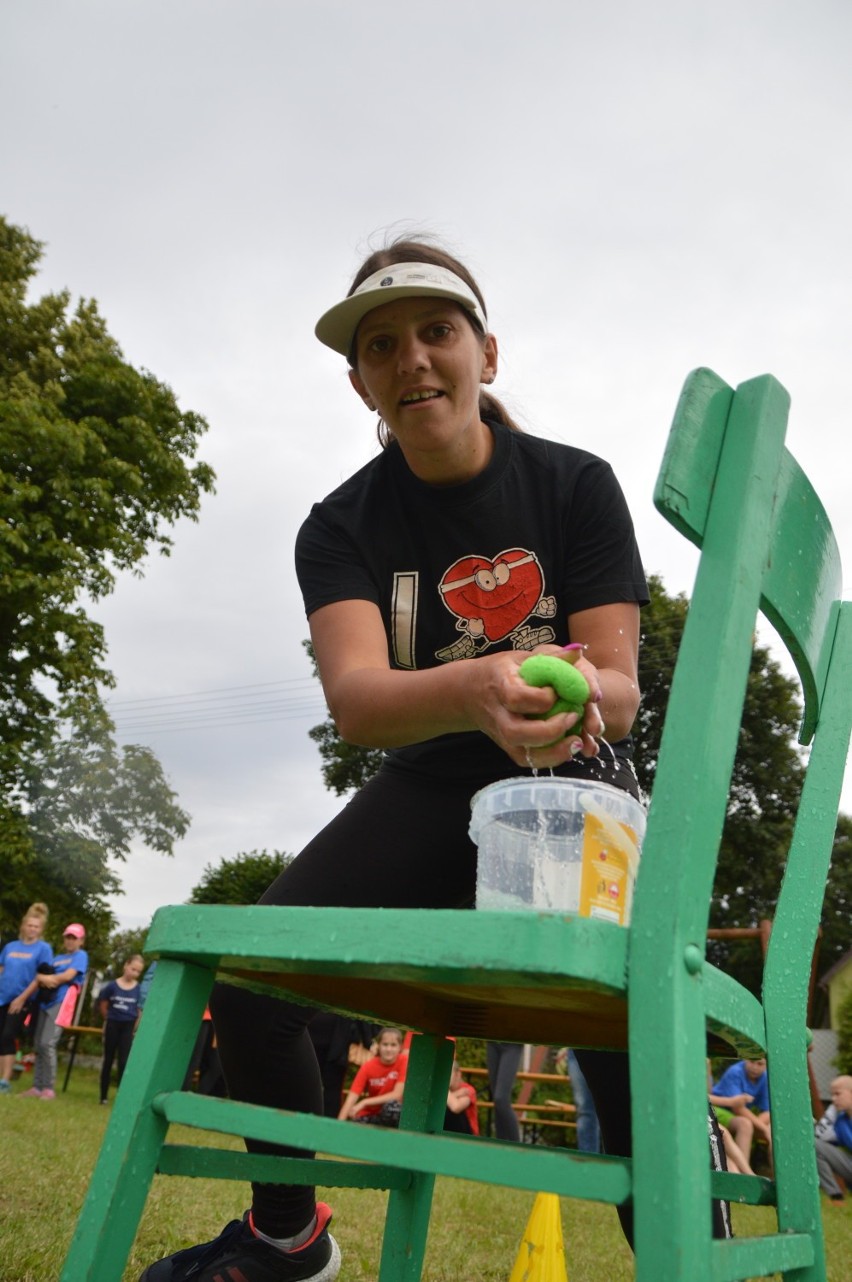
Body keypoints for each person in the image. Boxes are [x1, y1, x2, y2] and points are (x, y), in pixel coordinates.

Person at [138, 233, 663, 1282]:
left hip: (569, 782)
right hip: (429, 782)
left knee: (621, 1028)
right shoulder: (339, 523)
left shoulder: (575, 484)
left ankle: (688, 1254)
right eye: (382, 344)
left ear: (488, 353)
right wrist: (475, 686)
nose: (413, 358)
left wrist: (557, 690)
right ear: (359, 379)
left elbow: (620, 688)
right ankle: (288, 1238)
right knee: (250, 990)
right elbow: (360, 702)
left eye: (437, 331)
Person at [20, 923, 88, 1100]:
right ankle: (37, 1086)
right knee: (38, 1043)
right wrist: (46, 978)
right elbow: (39, 976)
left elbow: (67, 976)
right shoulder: (57, 958)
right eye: (68, 937)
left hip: (61, 1003)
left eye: (74, 938)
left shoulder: (81, 956)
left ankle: (48, 1088)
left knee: (47, 1043)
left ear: (81, 940)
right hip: (44, 1002)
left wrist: (48, 978)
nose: (70, 941)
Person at [0, 903, 52, 1094]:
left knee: (7, 1036)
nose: (32, 929)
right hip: (2, 997)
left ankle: (5, 1080)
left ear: (41, 929)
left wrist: (21, 999)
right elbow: (1, 969)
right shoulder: (10, 946)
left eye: (36, 926)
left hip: (22, 999)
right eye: (30, 925)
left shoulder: (43, 949)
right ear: (23, 926)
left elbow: (40, 978)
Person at [97, 954, 144, 1104]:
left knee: (123, 1062)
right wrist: (108, 1018)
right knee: (108, 1060)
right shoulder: (111, 986)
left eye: (138, 971)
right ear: (126, 965)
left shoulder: (139, 989)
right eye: (132, 969)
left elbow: (139, 1011)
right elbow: (103, 1004)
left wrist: (134, 1027)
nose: (134, 973)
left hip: (128, 1026)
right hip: (113, 1024)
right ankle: (103, 1097)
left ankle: (121, 1097)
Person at [337, 1027, 406, 1126]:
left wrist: (364, 1102)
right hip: (371, 1114)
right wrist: (339, 1124)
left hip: (392, 1113)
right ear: (378, 1046)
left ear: (400, 1047)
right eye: (385, 1044)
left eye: (393, 1045)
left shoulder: (404, 1061)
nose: (388, 1049)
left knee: (393, 1108)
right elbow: (352, 1097)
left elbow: (397, 1095)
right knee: (356, 1125)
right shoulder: (368, 1066)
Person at [711, 1057, 772, 1170]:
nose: (755, 1067)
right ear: (745, 1059)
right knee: (745, 1124)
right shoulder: (735, 1072)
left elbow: (767, 1110)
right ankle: (743, 1172)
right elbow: (737, 1108)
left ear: (766, 1065)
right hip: (719, 1110)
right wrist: (762, 1128)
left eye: (760, 1064)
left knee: (773, 1133)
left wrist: (761, 1127)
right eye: (752, 1061)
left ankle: (776, 1180)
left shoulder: (765, 1077)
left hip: (738, 1115)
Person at [814, 1075, 852, 1205]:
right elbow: (819, 1137)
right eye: (832, 1095)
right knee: (814, 1145)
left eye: (838, 1094)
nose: (833, 1099)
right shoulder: (840, 1120)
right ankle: (836, 1197)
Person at [486, 1041, 523, 1141]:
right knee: (497, 1102)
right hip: (492, 1040)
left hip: (513, 1042)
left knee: (500, 1099)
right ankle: (500, 1144)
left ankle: (517, 1146)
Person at [444, 1059, 480, 1135]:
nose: (444, 1077)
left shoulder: (468, 1089)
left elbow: (456, 1107)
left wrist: (443, 1088)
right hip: (448, 1133)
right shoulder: (456, 1091)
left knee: (447, 1107)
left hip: (468, 1136)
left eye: (448, 1073)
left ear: (458, 1074)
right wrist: (456, 1094)